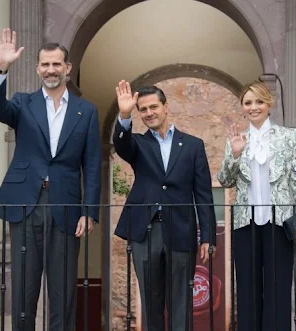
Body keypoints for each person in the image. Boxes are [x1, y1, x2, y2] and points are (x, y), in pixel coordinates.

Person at [0, 28, 101, 331]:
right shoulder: (23, 103)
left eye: (56, 64)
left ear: (67, 68)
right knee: (24, 287)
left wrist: (90, 211)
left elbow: (91, 164)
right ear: (37, 68)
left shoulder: (85, 111)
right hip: (26, 203)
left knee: (63, 292)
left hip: (66, 205)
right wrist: (2, 68)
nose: (51, 70)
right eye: (45, 64)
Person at [113, 80, 216, 331]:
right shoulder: (137, 143)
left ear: (166, 107)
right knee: (151, 299)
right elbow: (121, 144)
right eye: (143, 109)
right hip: (145, 231)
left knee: (181, 299)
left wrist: (208, 235)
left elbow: (203, 194)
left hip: (181, 229)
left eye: (153, 107)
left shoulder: (193, 145)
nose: (149, 113)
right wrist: (124, 114)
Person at [217, 80, 296, 330]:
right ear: (242, 107)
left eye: (259, 101)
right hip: (244, 225)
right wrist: (236, 155)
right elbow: (225, 180)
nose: (254, 107)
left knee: (278, 289)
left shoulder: (287, 136)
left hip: (279, 223)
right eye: (248, 103)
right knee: (247, 290)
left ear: (269, 104)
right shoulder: (237, 140)